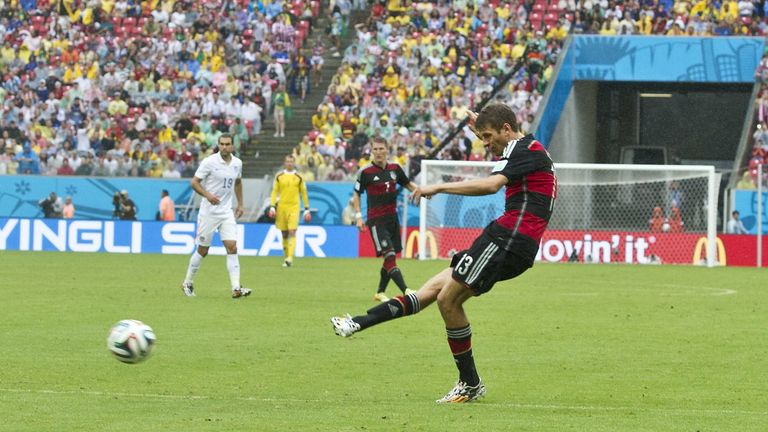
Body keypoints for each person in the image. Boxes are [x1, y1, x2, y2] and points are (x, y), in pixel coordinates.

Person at [331, 103, 557, 403]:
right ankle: (358, 322)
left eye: (488, 136)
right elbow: (504, 141)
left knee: (447, 299)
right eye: (481, 137)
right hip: (508, 239)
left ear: (506, 129)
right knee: (432, 290)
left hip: (509, 238)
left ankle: (470, 383)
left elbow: (492, 185)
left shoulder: (524, 149)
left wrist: (437, 188)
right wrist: (484, 123)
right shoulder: (523, 146)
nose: (486, 144)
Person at [181, 134, 251, 299]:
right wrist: (207, 195)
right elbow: (194, 182)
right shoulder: (209, 162)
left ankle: (236, 288)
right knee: (203, 250)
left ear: (233, 146)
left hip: (226, 212)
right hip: (208, 213)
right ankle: (187, 282)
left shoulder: (237, 163)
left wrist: (240, 204)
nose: (224, 147)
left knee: (232, 247)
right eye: (222, 144)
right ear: (218, 145)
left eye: (227, 144)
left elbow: (238, 182)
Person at [352, 136, 419, 303]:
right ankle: (406, 290)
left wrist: (422, 191)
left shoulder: (395, 168)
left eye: (381, 149)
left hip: (392, 219)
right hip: (376, 221)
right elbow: (356, 194)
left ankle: (380, 292)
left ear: (387, 150)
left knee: (391, 257)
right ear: (371, 151)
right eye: (375, 149)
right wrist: (359, 216)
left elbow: (408, 184)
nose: (378, 152)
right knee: (389, 255)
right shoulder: (365, 172)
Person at [268, 155, 311, 267]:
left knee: (292, 231)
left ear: (294, 163)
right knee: (284, 233)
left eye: (291, 161)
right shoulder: (279, 176)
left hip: (294, 207)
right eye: (287, 161)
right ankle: (287, 257)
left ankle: (290, 258)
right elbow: (274, 192)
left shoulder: (299, 177)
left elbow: (304, 193)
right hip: (282, 207)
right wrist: (272, 206)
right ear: (284, 163)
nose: (289, 163)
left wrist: (306, 208)